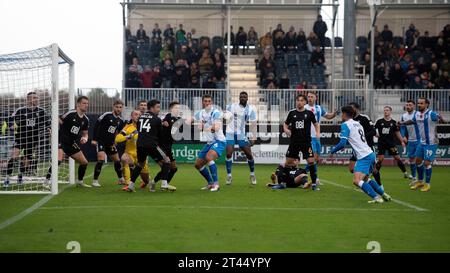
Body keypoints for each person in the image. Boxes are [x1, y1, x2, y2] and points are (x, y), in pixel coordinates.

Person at [329, 106, 392, 204]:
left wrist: (332, 151)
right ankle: (384, 195)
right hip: (370, 153)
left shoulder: (346, 125)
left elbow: (342, 144)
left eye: (342, 114)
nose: (341, 116)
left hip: (364, 156)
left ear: (345, 114)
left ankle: (376, 198)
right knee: (366, 179)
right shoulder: (358, 124)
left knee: (356, 180)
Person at [124, 99, 174, 192]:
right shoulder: (157, 119)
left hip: (140, 145)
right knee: (167, 161)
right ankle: (164, 184)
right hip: (151, 144)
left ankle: (131, 185)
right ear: (151, 108)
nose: (159, 109)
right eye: (157, 107)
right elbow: (160, 136)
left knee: (140, 164)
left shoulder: (141, 117)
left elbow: (140, 130)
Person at [399, 98, 446, 192]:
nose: (419, 105)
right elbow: (412, 121)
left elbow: (442, 121)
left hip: (431, 143)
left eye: (421, 103)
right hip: (422, 142)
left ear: (427, 104)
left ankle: (427, 184)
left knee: (427, 163)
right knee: (417, 161)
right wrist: (402, 123)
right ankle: (420, 181)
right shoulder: (417, 114)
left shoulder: (431, 113)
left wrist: (441, 118)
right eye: (418, 103)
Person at [4, 92, 50, 187]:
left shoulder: (42, 111)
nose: (36, 99)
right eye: (34, 98)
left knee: (26, 160)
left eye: (37, 98)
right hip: (20, 138)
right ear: (28, 99)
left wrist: (49, 129)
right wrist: (11, 125)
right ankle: (7, 178)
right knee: (14, 156)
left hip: (33, 139)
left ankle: (20, 176)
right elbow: (9, 119)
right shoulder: (20, 110)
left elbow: (48, 123)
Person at [44, 96, 90, 188]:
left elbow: (85, 133)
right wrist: (52, 129)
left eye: (87, 103)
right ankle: (46, 181)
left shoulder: (86, 120)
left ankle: (80, 182)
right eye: (84, 103)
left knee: (84, 162)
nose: (86, 105)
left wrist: (85, 138)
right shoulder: (71, 113)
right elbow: (58, 119)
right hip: (61, 140)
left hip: (71, 143)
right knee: (58, 160)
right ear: (78, 104)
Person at [283, 94, 320, 190]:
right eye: (298, 100)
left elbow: (316, 124)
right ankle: (283, 182)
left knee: (311, 161)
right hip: (294, 142)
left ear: (305, 102)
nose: (299, 102)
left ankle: (314, 184)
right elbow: (285, 124)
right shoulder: (292, 113)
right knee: (287, 163)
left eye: (301, 100)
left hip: (306, 142)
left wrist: (317, 133)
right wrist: (286, 130)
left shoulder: (309, 113)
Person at [193, 95, 226, 192]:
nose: (207, 103)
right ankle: (210, 183)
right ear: (203, 102)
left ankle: (216, 184)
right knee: (198, 165)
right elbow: (189, 120)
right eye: (205, 101)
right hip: (209, 143)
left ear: (211, 103)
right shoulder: (200, 113)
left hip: (219, 141)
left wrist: (203, 127)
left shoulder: (215, 113)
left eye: (209, 101)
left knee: (209, 157)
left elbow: (215, 128)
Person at [224, 92, 257, 186]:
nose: (243, 98)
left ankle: (252, 174)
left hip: (241, 134)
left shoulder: (250, 110)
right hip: (230, 133)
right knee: (229, 153)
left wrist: (253, 137)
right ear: (239, 98)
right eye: (241, 96)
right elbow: (223, 113)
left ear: (247, 98)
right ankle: (229, 176)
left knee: (249, 154)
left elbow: (254, 124)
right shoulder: (232, 106)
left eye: (244, 96)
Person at [304, 91, 337, 185]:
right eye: (308, 96)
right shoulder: (304, 108)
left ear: (315, 98)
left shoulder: (319, 108)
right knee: (313, 157)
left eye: (311, 96)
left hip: (317, 137)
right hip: (308, 137)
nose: (309, 98)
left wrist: (334, 114)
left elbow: (328, 116)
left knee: (317, 159)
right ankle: (315, 178)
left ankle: (303, 173)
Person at [91, 100, 126, 187]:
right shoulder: (107, 115)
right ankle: (95, 181)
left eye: (120, 107)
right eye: (117, 107)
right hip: (101, 141)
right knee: (101, 160)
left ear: (122, 108)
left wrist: (115, 140)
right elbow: (96, 125)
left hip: (110, 143)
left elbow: (119, 132)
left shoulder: (121, 120)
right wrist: (95, 139)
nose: (118, 109)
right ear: (113, 107)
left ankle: (121, 179)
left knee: (117, 161)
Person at [150, 101, 182, 191]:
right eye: (176, 108)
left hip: (168, 147)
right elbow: (163, 119)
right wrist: (163, 122)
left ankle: (161, 183)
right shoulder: (167, 116)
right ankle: (160, 184)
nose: (177, 110)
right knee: (166, 166)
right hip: (161, 146)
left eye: (178, 108)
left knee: (174, 168)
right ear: (171, 109)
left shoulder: (178, 119)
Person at [347, 102, 381, 186]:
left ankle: (380, 186)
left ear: (356, 109)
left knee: (374, 169)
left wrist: (363, 137)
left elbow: (373, 131)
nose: (350, 110)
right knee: (351, 169)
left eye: (352, 108)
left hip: (368, 147)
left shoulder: (364, 118)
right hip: (357, 148)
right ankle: (363, 181)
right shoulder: (349, 120)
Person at [114, 109, 150, 187]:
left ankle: (145, 182)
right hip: (130, 153)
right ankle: (127, 184)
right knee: (124, 159)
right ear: (131, 116)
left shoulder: (145, 127)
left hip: (141, 156)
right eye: (136, 114)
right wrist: (128, 136)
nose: (138, 116)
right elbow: (117, 138)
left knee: (146, 180)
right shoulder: (128, 127)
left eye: (139, 115)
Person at [374, 106, 409, 179]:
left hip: (391, 144)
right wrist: (375, 134)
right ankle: (375, 174)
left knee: (398, 158)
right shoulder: (379, 121)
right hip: (381, 143)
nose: (386, 112)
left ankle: (405, 173)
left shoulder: (393, 122)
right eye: (384, 110)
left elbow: (397, 132)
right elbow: (373, 129)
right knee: (380, 159)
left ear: (390, 111)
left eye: (387, 110)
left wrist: (402, 141)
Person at [400, 100, 419, 185]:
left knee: (419, 159)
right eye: (407, 105)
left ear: (414, 106)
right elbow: (403, 127)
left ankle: (421, 179)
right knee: (411, 159)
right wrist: (403, 136)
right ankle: (414, 178)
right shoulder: (404, 116)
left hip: (420, 139)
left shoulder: (417, 114)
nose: (408, 106)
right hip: (411, 140)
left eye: (410, 105)